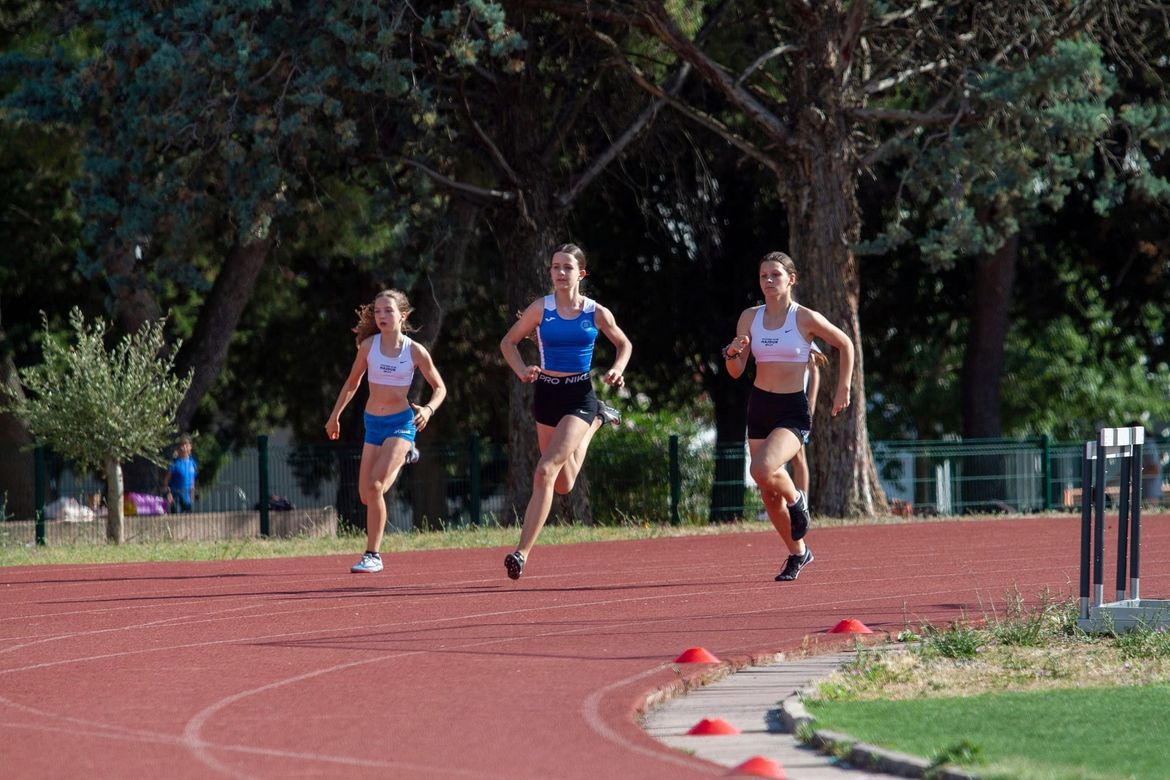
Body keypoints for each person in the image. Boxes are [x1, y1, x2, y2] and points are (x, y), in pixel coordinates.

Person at [499, 243, 632, 579]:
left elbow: (624, 343)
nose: (560, 273)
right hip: (546, 395)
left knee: (545, 470)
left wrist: (617, 369)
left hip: (578, 396)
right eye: (555, 267)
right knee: (563, 484)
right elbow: (507, 342)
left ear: (580, 273)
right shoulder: (540, 309)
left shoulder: (595, 312)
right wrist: (521, 370)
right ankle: (598, 420)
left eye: (567, 267)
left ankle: (521, 553)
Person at [722, 251, 855, 582]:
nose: (768, 281)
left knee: (761, 469)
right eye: (763, 275)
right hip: (759, 406)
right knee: (768, 493)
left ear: (790, 279)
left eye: (775, 275)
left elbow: (845, 344)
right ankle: (799, 553)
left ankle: (797, 501)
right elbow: (735, 371)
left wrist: (844, 388)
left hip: (791, 409)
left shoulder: (804, 318)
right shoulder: (749, 317)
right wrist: (732, 352)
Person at [326, 289, 447, 573]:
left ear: (402, 315)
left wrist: (428, 409)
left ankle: (373, 555)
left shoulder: (414, 351)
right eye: (377, 311)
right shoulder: (369, 346)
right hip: (373, 424)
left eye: (388, 311)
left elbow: (440, 387)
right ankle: (406, 455)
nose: (381, 316)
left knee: (376, 486)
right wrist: (334, 416)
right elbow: (352, 383)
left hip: (400, 424)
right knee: (366, 495)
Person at [788, 345, 827, 497]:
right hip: (771, 402)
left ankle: (802, 504)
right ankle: (779, 504)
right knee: (772, 461)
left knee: (798, 458)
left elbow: (814, 370)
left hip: (794, 406)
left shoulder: (804, 335)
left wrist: (811, 403)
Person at [163, 434, 197, 513]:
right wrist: (168, 494)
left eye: (186, 445)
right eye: (182, 445)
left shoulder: (192, 463)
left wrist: (192, 496)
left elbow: (192, 481)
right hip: (176, 497)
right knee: (177, 518)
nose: (184, 447)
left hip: (188, 498)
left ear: (190, 447)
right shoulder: (174, 463)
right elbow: (166, 481)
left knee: (188, 519)